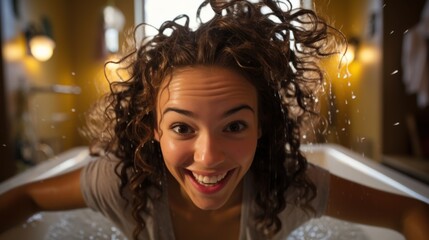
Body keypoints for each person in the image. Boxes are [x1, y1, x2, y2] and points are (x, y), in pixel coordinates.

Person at [1, 0, 428, 239]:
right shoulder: (124, 183)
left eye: (235, 126)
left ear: (263, 127)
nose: (208, 157)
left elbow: (408, 213)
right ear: (155, 129)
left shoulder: (289, 186)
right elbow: (29, 199)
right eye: (183, 127)